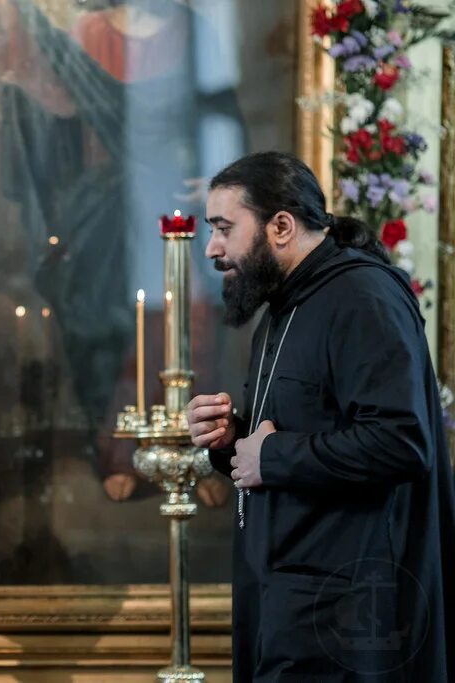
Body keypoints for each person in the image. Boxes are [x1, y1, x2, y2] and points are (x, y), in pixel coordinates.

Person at [187, 151, 455, 680]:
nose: (213, 248)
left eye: (223, 228)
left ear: (281, 226)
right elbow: (297, 437)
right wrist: (231, 440)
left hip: (345, 621)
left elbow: (401, 442)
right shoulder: (283, 305)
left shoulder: (362, 297)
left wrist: (271, 455)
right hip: (288, 605)